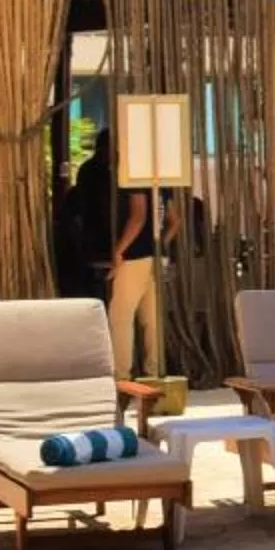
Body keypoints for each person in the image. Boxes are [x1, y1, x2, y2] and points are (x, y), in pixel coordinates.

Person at [86, 132, 159, 377]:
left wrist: (120, 250)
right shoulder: (160, 177)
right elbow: (175, 219)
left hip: (135, 254)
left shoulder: (132, 175)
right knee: (152, 319)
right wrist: (159, 245)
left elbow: (138, 215)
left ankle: (121, 374)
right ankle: (154, 373)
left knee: (120, 315)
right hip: (155, 255)